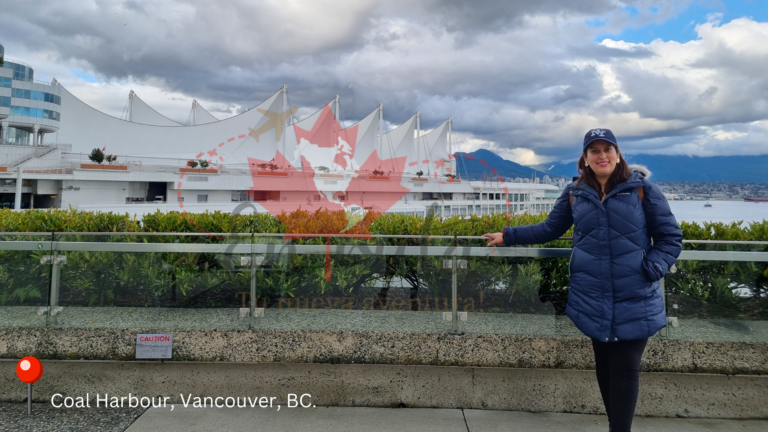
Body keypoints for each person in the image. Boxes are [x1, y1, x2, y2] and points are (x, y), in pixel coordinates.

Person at [483, 128, 683, 432]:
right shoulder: (575, 192)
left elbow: (670, 237)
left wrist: (651, 268)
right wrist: (508, 235)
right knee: (604, 366)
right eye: (595, 150)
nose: (602, 156)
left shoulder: (642, 190)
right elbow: (549, 229)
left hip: (635, 295)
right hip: (592, 295)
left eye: (608, 149)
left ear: (618, 154)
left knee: (626, 368)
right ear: (585, 158)